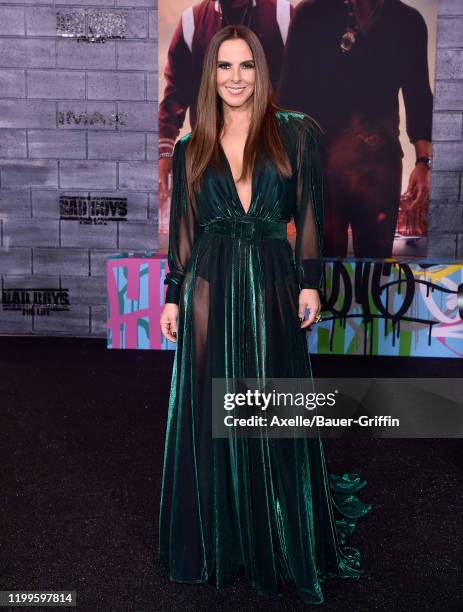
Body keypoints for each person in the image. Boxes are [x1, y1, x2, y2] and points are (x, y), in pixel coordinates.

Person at [157, 24, 371, 605]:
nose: (234, 78)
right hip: (211, 281)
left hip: (275, 278)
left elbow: (309, 209)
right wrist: (173, 294)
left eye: (245, 66)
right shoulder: (190, 145)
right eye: (223, 67)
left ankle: (277, 529)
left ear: (261, 71)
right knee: (211, 407)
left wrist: (309, 283)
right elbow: (184, 230)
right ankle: (216, 539)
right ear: (210, 75)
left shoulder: (295, 132)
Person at [278, 0, 433, 258]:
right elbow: (289, 95)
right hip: (322, 166)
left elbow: (418, 94)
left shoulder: (408, 21)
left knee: (375, 273)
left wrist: (422, 162)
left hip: (379, 169)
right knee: (321, 272)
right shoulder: (312, 12)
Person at [158, 0, 294, 229]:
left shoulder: (282, 14)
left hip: (272, 154)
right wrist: (164, 151)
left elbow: (306, 82)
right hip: (213, 157)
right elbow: (176, 93)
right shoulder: (192, 21)